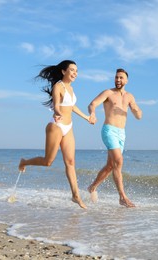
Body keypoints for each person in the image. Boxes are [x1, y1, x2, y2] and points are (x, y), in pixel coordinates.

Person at [18, 60, 94, 209]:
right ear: (63, 71)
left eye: (76, 71)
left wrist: (86, 118)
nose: (75, 73)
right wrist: (57, 113)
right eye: (72, 70)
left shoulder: (71, 89)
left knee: (70, 162)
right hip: (56, 126)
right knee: (48, 162)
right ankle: (24, 162)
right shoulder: (58, 86)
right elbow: (57, 105)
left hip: (69, 127)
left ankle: (75, 195)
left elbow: (71, 106)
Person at [87, 68, 142, 208]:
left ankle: (92, 187)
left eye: (121, 78)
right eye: (116, 77)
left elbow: (139, 116)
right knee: (119, 161)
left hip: (121, 133)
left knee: (111, 166)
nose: (118, 80)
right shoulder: (108, 93)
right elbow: (92, 104)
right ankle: (122, 197)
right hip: (109, 130)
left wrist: (135, 110)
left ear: (126, 80)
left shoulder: (129, 96)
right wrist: (92, 114)